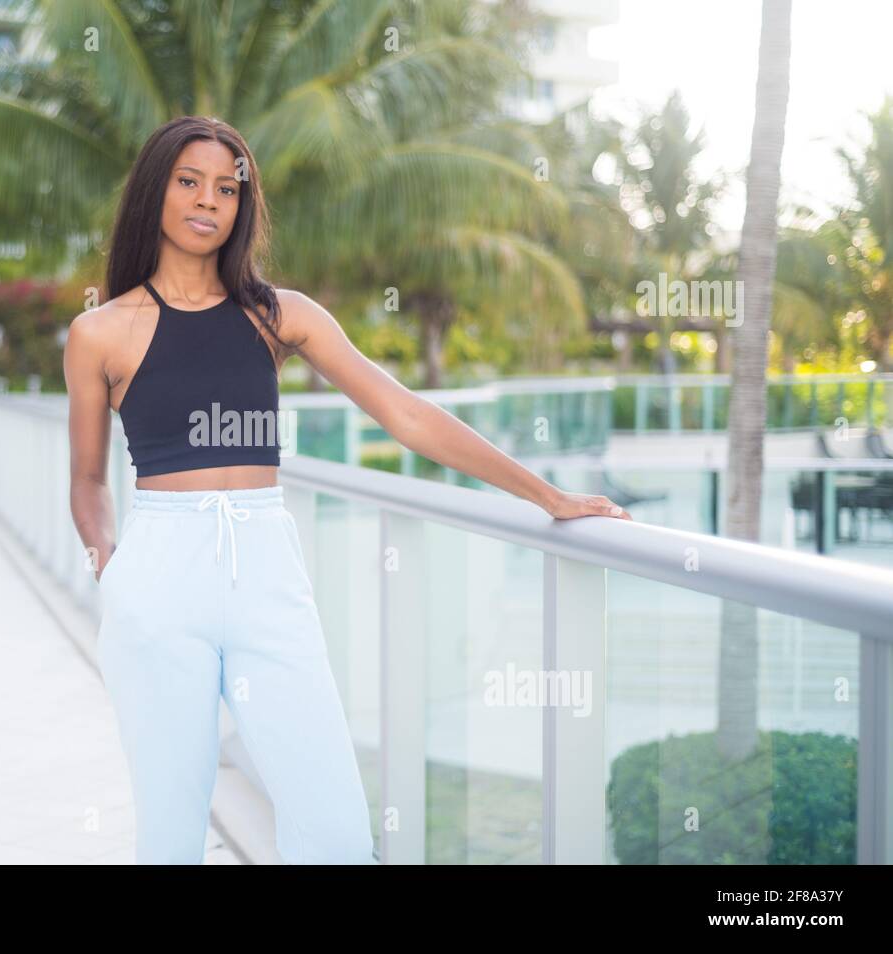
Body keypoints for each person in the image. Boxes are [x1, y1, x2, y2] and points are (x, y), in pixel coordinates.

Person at [63, 116, 631, 865]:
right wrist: (106, 553)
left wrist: (546, 497)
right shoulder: (100, 332)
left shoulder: (277, 314)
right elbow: (86, 478)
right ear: (155, 192)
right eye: (189, 182)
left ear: (242, 206)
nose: (209, 201)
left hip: (266, 572)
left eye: (227, 189)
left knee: (333, 831)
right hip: (158, 576)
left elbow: (408, 414)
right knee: (170, 837)